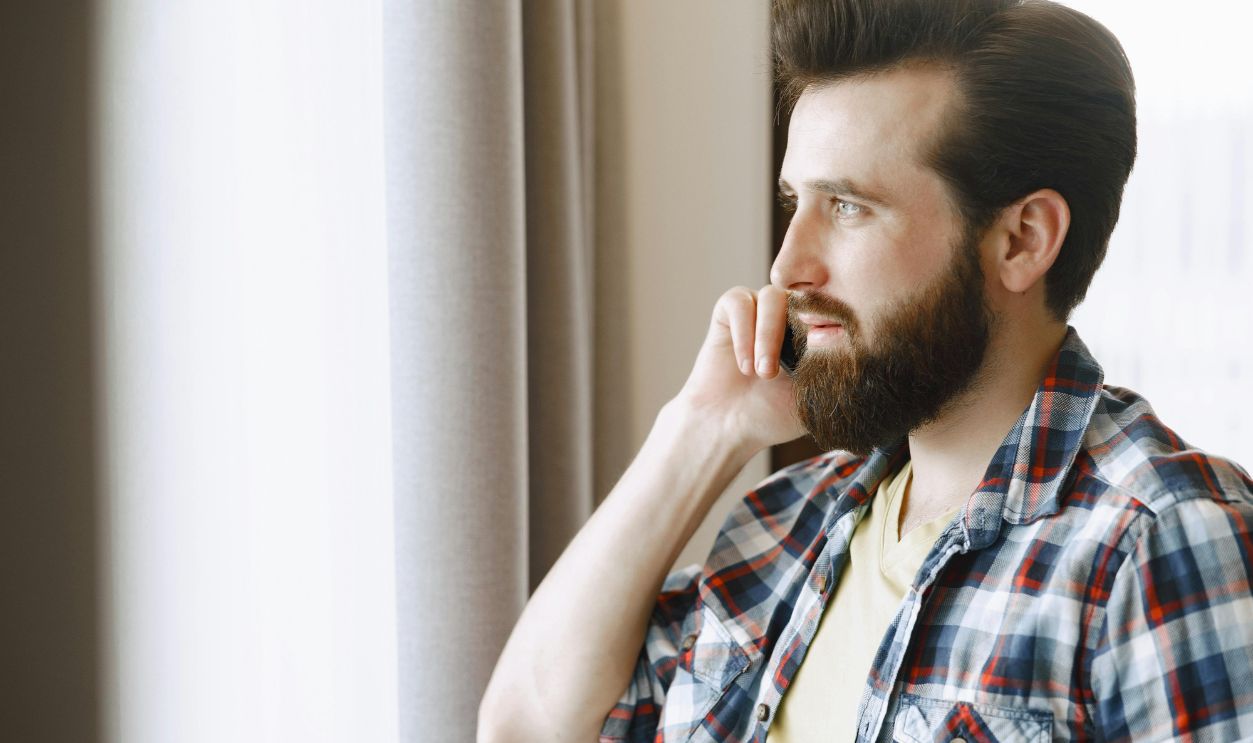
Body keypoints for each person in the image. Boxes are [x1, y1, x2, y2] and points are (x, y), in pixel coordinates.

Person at [478, 0, 1253, 741]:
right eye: (796, 203)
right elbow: (526, 728)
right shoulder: (784, 527)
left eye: (847, 206)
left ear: (1021, 239)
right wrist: (704, 429)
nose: (786, 266)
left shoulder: (1160, 535)